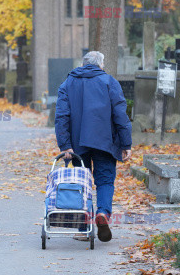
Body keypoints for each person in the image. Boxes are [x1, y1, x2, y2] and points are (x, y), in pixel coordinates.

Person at [55, 51, 132, 243]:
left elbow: (61, 116)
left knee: (82, 183)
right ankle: (103, 213)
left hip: (77, 143)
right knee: (105, 180)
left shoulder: (68, 83)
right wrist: (126, 143)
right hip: (104, 141)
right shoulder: (109, 82)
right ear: (101, 65)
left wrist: (65, 145)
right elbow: (120, 114)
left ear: (83, 64)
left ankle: (83, 229)